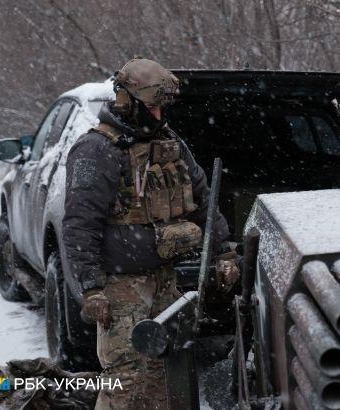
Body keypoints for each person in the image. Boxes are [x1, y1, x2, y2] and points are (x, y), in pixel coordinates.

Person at [63, 58, 238, 409]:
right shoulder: (96, 150)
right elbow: (80, 225)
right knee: (126, 381)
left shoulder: (171, 144)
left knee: (162, 377)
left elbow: (205, 201)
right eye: (151, 107)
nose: (158, 116)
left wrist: (224, 252)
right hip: (120, 288)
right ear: (126, 101)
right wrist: (92, 288)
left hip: (164, 282)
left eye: (162, 108)